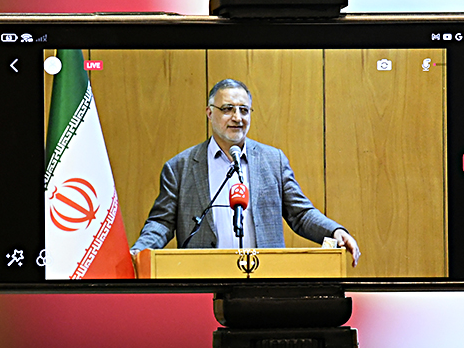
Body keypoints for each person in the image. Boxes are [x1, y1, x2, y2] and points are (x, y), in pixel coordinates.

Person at [131, 79, 361, 266]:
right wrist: (139, 251)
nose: (237, 118)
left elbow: (300, 214)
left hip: (265, 277)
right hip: (205, 278)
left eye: (244, 110)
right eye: (227, 109)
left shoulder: (273, 160)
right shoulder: (180, 167)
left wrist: (335, 230)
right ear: (209, 113)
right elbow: (162, 222)